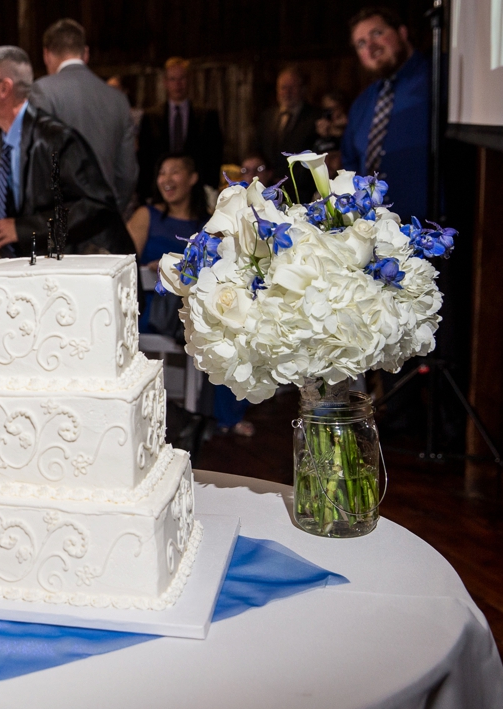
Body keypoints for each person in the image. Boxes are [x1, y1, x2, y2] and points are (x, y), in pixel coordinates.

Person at [126, 155, 252, 437]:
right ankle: (211, 418)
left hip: (192, 308)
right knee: (215, 328)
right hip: (156, 312)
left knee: (230, 326)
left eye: (175, 172)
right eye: (162, 173)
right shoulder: (147, 215)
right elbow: (123, 264)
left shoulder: (208, 222)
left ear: (193, 178)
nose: (166, 179)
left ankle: (216, 417)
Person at [0, 45, 134, 258]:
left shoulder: (53, 138)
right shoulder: (5, 141)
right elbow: (27, 214)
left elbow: (97, 206)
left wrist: (21, 229)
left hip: (92, 269)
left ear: (4, 88)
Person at [30, 18, 138, 210]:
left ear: (46, 55)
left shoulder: (41, 92)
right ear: (85, 53)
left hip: (60, 221)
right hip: (105, 220)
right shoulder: (118, 100)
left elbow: (36, 165)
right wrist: (112, 212)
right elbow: (127, 173)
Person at [340, 6, 430, 220]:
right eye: (361, 44)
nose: (370, 46)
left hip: (430, 229)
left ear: (402, 32)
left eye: (377, 34)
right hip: (375, 230)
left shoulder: (439, 78)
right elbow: (350, 162)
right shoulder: (362, 103)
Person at [136, 57, 224, 201]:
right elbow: (145, 158)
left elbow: (214, 154)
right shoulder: (151, 117)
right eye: (172, 79)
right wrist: (145, 193)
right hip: (160, 191)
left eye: (182, 78)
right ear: (165, 82)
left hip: (197, 191)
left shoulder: (207, 116)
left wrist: (210, 188)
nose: (178, 84)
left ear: (189, 80)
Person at [256, 66, 320, 201]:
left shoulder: (315, 118)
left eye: (292, 88)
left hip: (302, 194)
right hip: (269, 193)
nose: (287, 92)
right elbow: (259, 150)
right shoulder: (266, 118)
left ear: (303, 89)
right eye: (283, 87)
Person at [314, 90, 350, 174]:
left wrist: (340, 131)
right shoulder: (318, 127)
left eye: (335, 109)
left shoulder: (350, 127)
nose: (331, 113)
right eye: (327, 110)